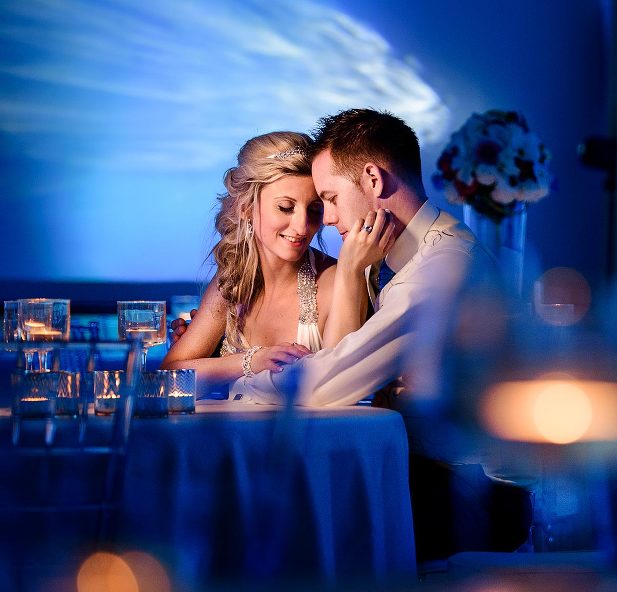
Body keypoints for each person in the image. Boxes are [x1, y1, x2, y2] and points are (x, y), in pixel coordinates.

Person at [227, 109, 530, 562]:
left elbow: (329, 383)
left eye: (329, 197)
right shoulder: (391, 260)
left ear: (372, 179)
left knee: (283, 514)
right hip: (427, 474)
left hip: (473, 496)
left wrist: (246, 381)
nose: (325, 219)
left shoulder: (442, 264)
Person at [162, 130, 395, 396]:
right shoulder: (231, 282)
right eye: (285, 207)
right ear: (246, 208)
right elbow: (171, 380)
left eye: (315, 210)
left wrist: (211, 367)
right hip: (235, 436)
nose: (301, 226)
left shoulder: (335, 279)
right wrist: (250, 361)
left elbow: (335, 392)